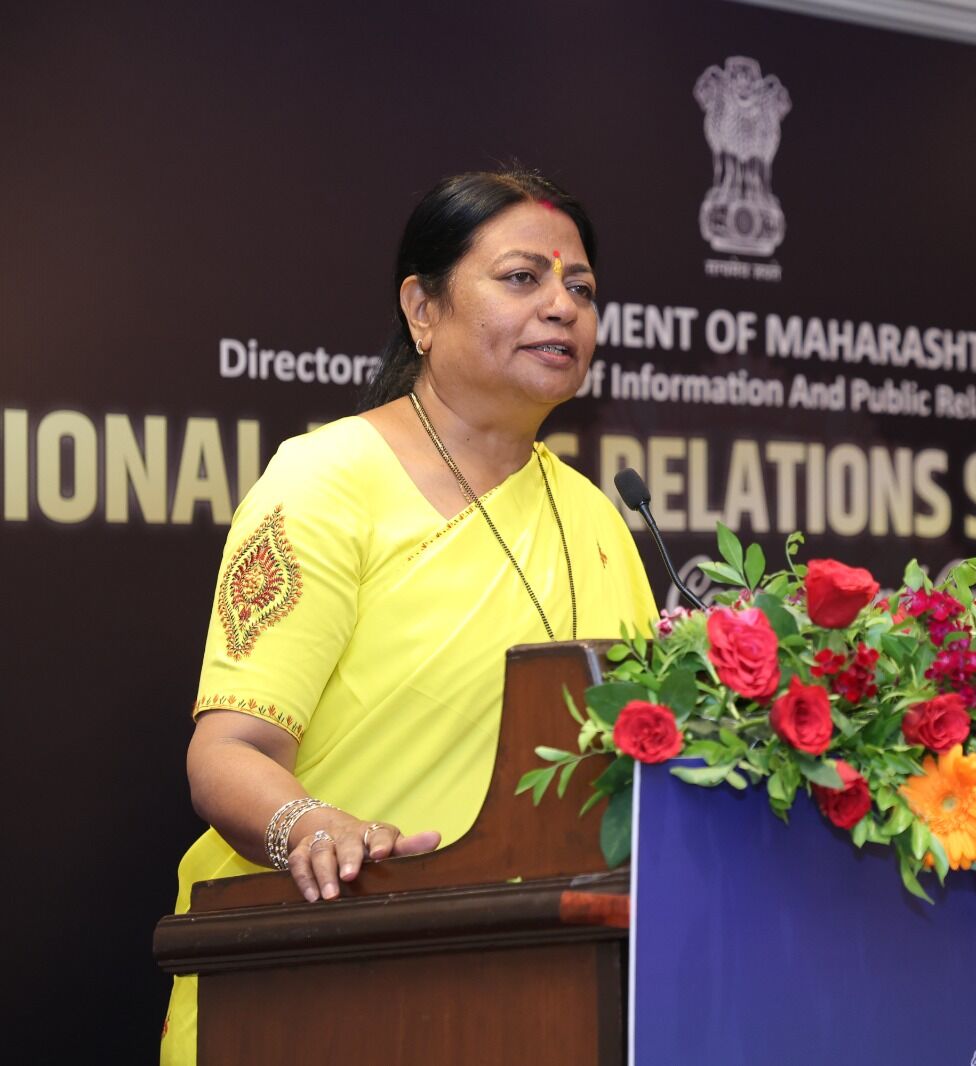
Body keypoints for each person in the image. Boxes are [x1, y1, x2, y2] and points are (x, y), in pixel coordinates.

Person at [161, 169, 658, 1065]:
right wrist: (312, 828)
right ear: (422, 310)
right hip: (325, 980)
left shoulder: (596, 517)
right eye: (523, 278)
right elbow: (228, 752)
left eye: (581, 289)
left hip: (541, 990)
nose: (562, 306)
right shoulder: (326, 481)